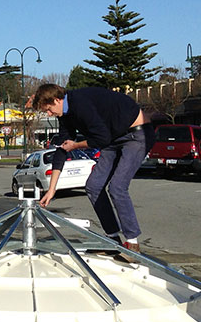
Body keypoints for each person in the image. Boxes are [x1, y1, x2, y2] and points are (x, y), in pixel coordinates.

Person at [31, 84, 155, 252]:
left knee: (117, 187)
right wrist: (52, 189)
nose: (49, 114)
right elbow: (62, 150)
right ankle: (112, 239)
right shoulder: (65, 115)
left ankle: (132, 242)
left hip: (137, 134)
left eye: (49, 110)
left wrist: (75, 145)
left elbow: (100, 139)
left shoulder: (80, 103)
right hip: (113, 139)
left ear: (57, 100)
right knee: (93, 186)